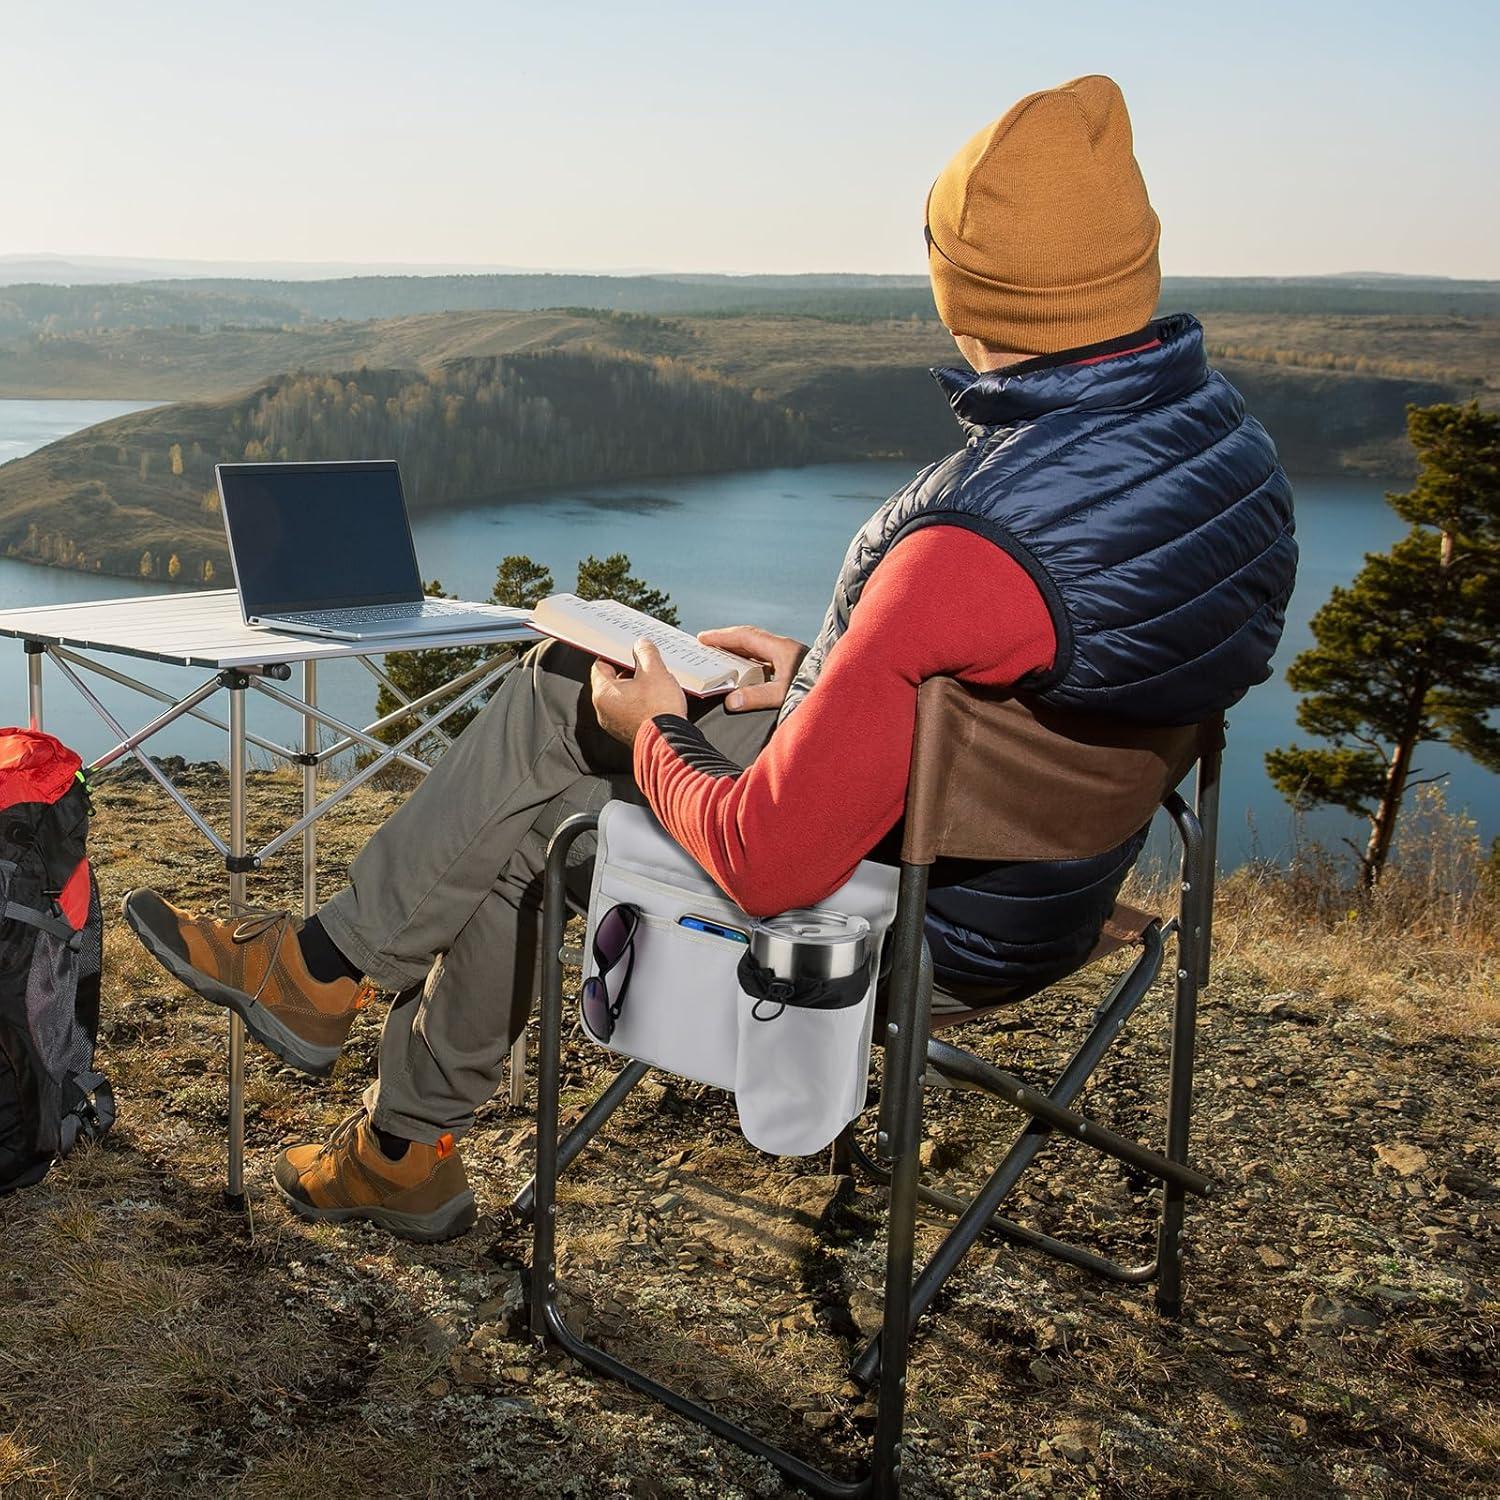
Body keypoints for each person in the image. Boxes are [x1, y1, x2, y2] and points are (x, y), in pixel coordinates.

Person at [123, 74, 1296, 1242]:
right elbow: (1033, 671)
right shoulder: (1231, 461)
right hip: (1053, 890)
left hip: (916, 926)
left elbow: (771, 858)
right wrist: (835, 672)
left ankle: (335, 1001)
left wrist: (659, 729)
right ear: (1129, 267)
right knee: (536, 778)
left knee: (547, 741)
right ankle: (380, 1114)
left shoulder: (971, 540)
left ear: (961, 286)